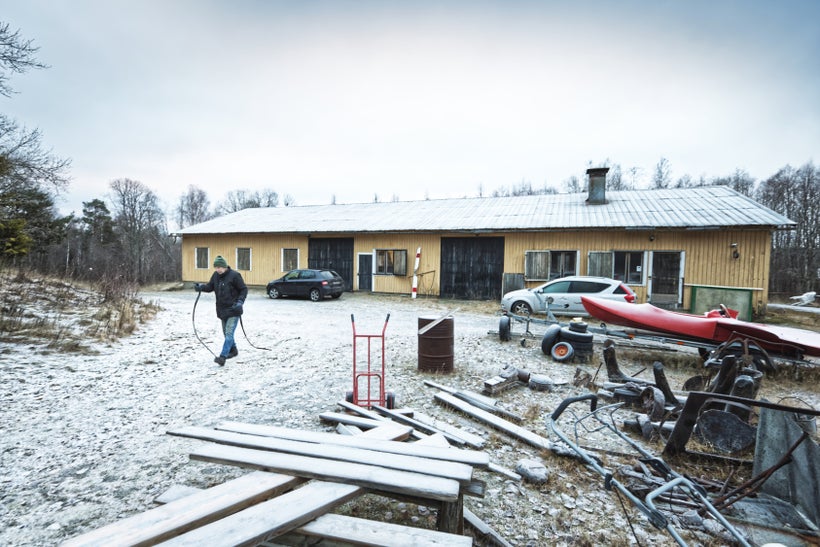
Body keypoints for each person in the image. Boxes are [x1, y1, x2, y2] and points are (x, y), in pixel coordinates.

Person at [194, 255, 248, 365]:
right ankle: (233, 350)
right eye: (216, 267)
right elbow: (210, 287)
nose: (217, 269)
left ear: (224, 266)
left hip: (234, 309)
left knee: (229, 333)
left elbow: (243, 289)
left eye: (219, 267)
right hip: (222, 310)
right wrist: (201, 287)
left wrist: (240, 302)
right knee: (226, 333)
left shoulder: (235, 276)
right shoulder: (215, 276)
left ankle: (222, 357)